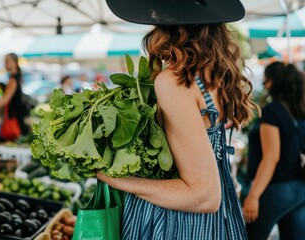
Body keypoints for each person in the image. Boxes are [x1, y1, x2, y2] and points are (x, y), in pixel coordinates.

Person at [97, 0, 258, 239]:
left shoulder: (174, 81)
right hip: (213, 225)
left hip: (176, 224)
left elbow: (203, 195)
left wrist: (116, 179)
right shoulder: (211, 74)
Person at [244, 62, 305, 240]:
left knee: (250, 236)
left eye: (266, 80)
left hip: (279, 190)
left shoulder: (272, 112)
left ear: (274, 82)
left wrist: (253, 196)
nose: (264, 85)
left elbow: (271, 157)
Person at [0, 53, 29, 138]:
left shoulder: (13, 79)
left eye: (7, 61)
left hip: (16, 117)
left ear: (14, 62)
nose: (5, 64)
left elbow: (5, 99)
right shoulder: (16, 77)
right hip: (18, 115)